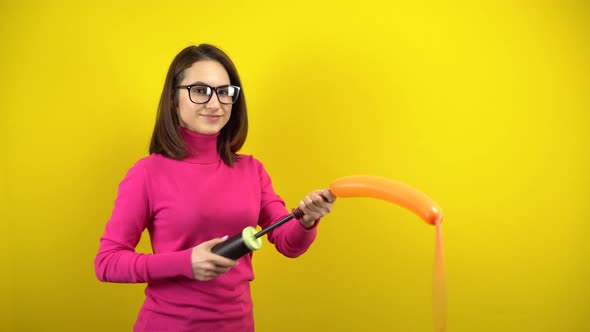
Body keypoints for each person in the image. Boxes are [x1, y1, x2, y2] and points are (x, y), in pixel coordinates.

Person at [94, 44, 336, 332]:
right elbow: (107, 263)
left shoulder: (251, 169)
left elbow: (287, 243)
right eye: (200, 90)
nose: (215, 104)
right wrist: (185, 262)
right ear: (173, 99)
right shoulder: (147, 173)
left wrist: (307, 219)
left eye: (224, 92)